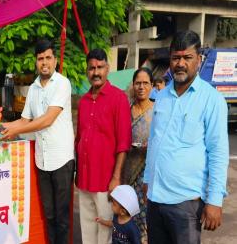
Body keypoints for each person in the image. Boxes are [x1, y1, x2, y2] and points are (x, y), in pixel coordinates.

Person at [143, 30, 229, 244]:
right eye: (176, 58)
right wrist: (147, 179)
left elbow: (218, 152)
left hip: (186, 204)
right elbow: (154, 142)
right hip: (155, 200)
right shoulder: (161, 97)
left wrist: (215, 200)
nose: (181, 63)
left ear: (198, 60)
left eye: (187, 57)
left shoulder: (212, 100)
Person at [1, 39, 75, 244]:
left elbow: (47, 120)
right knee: (49, 216)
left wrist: (17, 129)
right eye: (40, 58)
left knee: (62, 218)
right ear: (36, 61)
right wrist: (0, 128)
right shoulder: (32, 88)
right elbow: (25, 119)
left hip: (61, 160)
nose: (44, 62)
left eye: (48, 58)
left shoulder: (62, 83)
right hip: (42, 160)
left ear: (54, 61)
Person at [76, 48, 132, 244]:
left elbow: (123, 143)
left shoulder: (118, 98)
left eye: (100, 67)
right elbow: (79, 138)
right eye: (92, 68)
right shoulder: (83, 102)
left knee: (106, 232)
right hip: (84, 179)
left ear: (108, 69)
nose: (96, 72)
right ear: (87, 71)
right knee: (87, 229)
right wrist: (77, 173)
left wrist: (116, 178)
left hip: (106, 180)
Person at [123, 67, 154, 244]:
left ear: (151, 86)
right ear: (133, 85)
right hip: (126, 172)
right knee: (126, 217)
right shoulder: (125, 110)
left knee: (145, 221)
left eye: (145, 83)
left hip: (147, 176)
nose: (141, 87)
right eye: (137, 83)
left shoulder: (158, 111)